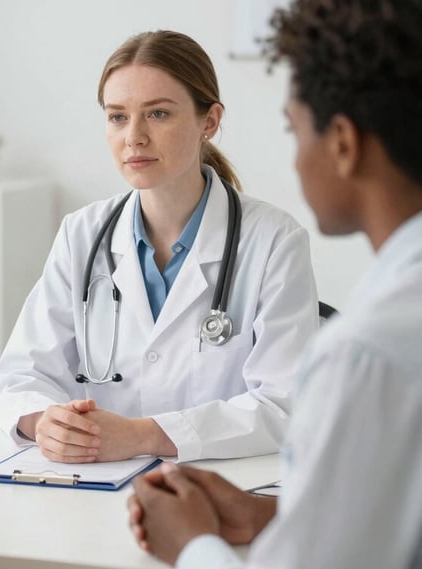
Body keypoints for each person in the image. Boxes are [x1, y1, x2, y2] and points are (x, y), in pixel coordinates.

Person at [127, 0, 422, 567]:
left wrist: (191, 544)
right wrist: (275, 515)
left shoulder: (367, 355)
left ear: (342, 142)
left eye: (294, 130)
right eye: (117, 115)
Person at [0, 30, 319, 463]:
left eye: (158, 114)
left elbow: (285, 405)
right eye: (117, 117)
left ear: (210, 121)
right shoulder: (82, 235)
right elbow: (22, 375)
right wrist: (43, 422)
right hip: (94, 489)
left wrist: (145, 436)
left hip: (219, 491)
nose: (134, 137)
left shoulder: (274, 241)